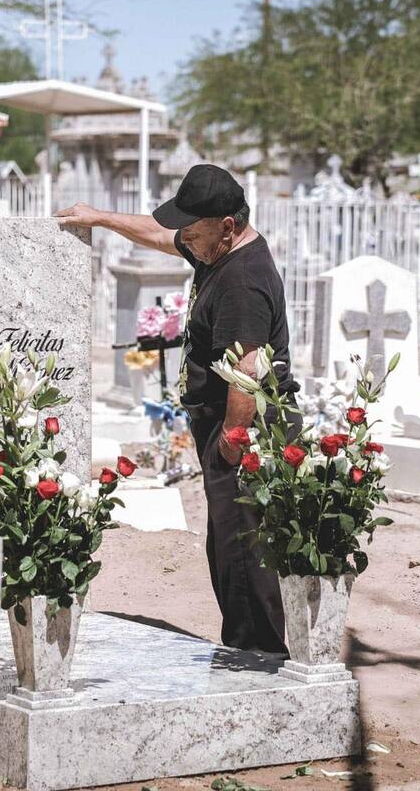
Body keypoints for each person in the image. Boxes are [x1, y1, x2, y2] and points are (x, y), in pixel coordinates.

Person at [56, 164, 298, 654]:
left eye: (193, 227)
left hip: (248, 434)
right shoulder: (218, 249)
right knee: (228, 554)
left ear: (226, 225)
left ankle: (260, 665)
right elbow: (163, 236)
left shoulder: (242, 281)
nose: (185, 236)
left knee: (245, 559)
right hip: (231, 431)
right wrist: (98, 217)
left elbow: (247, 371)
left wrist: (229, 446)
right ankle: (247, 651)